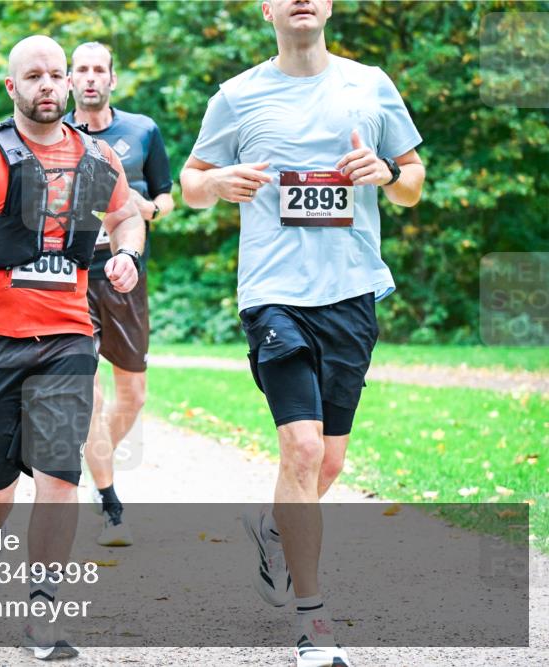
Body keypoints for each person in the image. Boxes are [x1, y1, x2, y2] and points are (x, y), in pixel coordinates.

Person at [180, 1, 425, 665]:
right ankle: (313, 624)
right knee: (303, 448)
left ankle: (270, 526)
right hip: (273, 295)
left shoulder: (370, 83)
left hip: (350, 291)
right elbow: (191, 181)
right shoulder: (237, 95)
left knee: (329, 460)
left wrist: (391, 173)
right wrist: (216, 182)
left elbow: (413, 184)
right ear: (267, 8)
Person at [0, 35, 143, 660]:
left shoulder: (96, 158)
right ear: (12, 87)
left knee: (59, 473)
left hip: (67, 335)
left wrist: (127, 255)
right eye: (33, 76)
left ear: (69, 86)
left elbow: (128, 215)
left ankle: (43, 611)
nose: (47, 85)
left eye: (56, 75)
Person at [63, 42, 174, 547]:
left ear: (112, 79)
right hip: (71, 276)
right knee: (89, 392)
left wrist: (139, 208)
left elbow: (166, 198)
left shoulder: (142, 130)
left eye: (98, 70)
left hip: (125, 271)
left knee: (132, 393)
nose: (90, 78)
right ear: (69, 81)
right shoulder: (53, 134)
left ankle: (94, 456)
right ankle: (110, 501)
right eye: (81, 70)